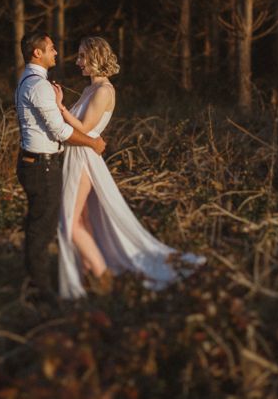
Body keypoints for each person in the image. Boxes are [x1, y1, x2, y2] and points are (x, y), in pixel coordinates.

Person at [53, 37, 205, 299]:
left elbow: (86, 128)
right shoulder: (91, 89)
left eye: (82, 57)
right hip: (77, 155)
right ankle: (89, 271)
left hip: (82, 158)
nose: (77, 62)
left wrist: (60, 107)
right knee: (81, 220)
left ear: (96, 57)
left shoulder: (103, 91)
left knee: (68, 222)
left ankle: (102, 277)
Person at [15, 32, 107, 304]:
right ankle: (40, 292)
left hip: (34, 162)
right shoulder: (39, 85)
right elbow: (59, 131)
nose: (56, 53)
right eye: (52, 49)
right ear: (37, 53)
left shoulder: (27, 80)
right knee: (42, 229)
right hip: (42, 166)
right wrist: (92, 143)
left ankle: (38, 282)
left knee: (39, 225)